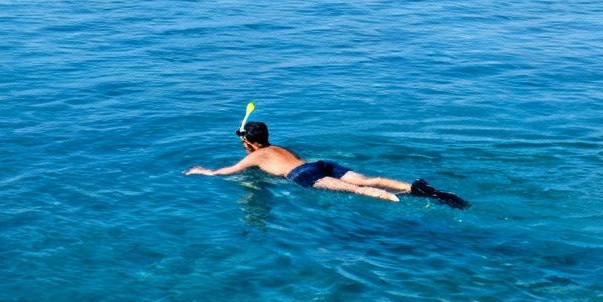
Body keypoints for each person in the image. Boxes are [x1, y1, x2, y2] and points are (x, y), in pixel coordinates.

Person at [185, 121, 467, 207]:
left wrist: (204, 171)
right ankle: (418, 189)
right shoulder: (280, 147)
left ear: (250, 143)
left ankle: (391, 199)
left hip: (301, 174)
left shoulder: (255, 156)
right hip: (320, 163)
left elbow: (228, 172)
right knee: (367, 179)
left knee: (356, 191)